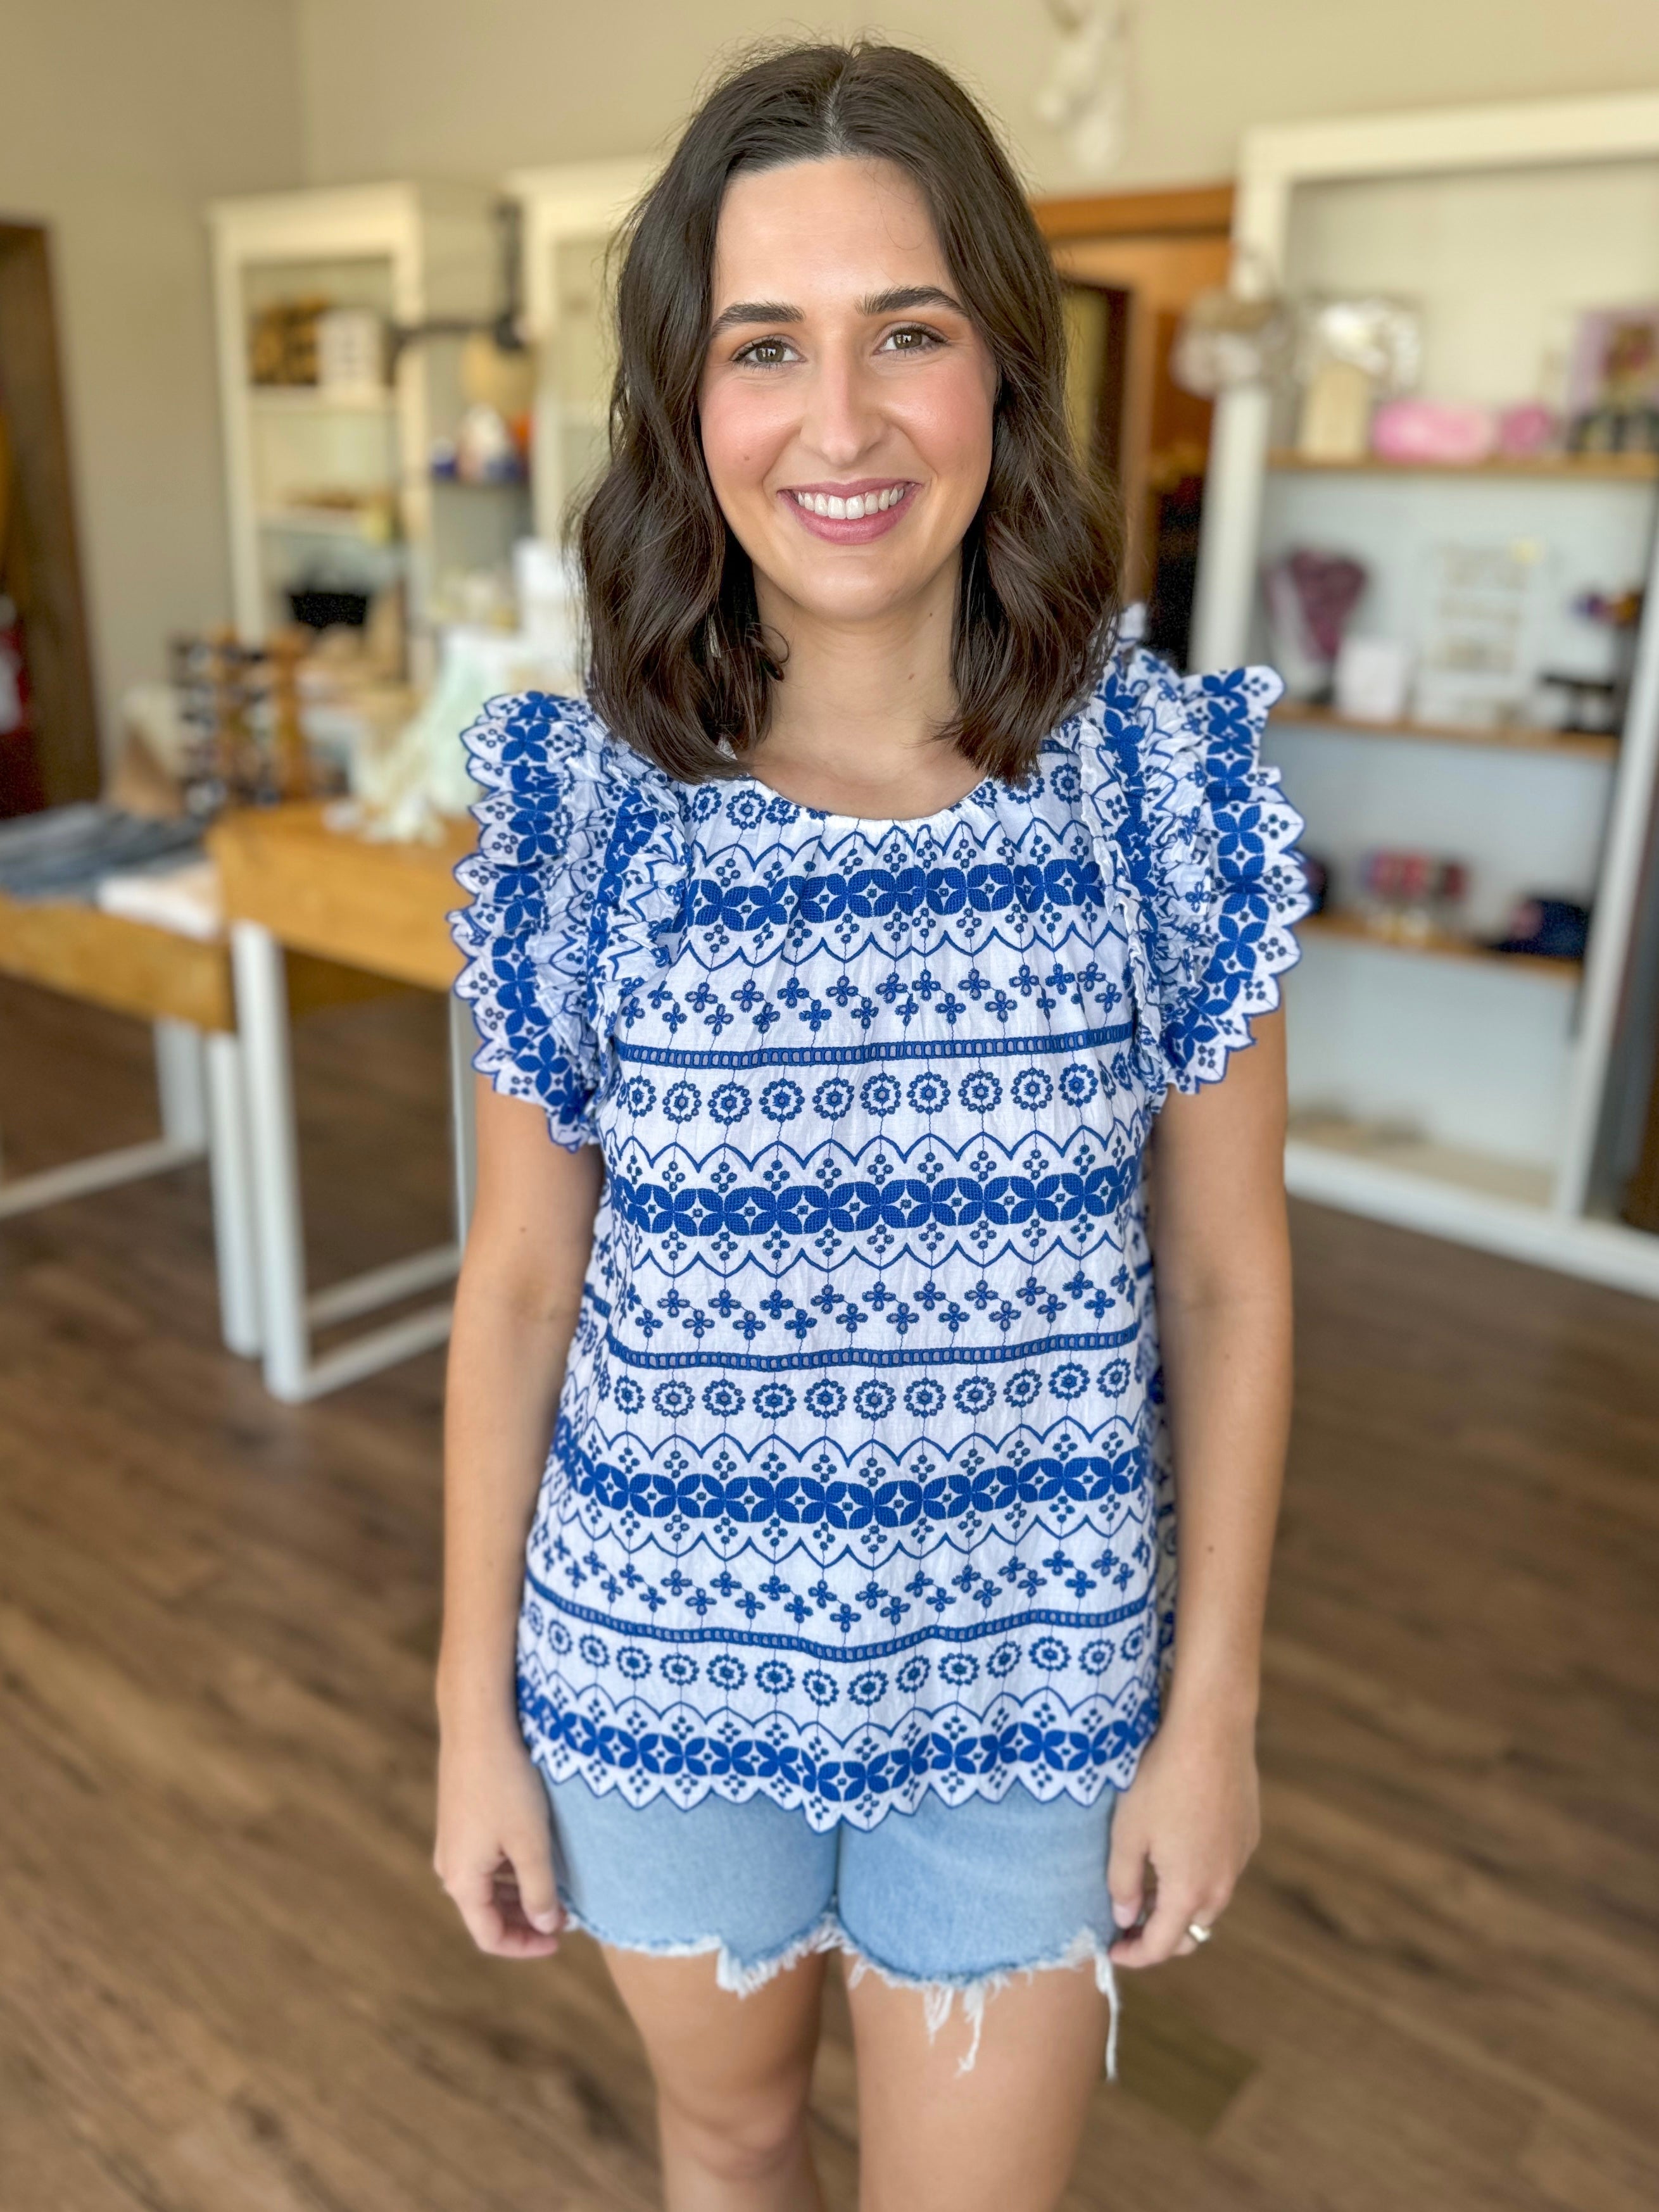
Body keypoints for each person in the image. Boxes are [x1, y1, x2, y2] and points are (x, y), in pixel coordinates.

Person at [437, 40, 1308, 2212]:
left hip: (1036, 1689)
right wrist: (470, 1714)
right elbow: (523, 1277)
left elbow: (1222, 1270)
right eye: (764, 348)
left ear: (999, 367)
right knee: (726, 2146)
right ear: (686, 401)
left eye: (904, 332)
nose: (837, 424)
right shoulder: (581, 816)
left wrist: (1213, 1713)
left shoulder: (1156, 792)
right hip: (649, 1670)